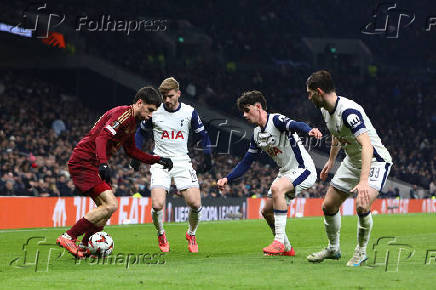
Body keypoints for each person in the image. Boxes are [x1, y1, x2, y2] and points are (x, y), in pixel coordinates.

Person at [56, 86, 173, 258]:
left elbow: (132, 151)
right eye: (149, 110)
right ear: (139, 103)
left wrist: (157, 159)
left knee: (106, 210)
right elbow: (103, 137)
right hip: (85, 161)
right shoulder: (123, 115)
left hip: (93, 162)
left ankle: (83, 245)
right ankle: (69, 236)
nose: (150, 115)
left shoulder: (133, 122)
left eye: (154, 112)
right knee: (111, 205)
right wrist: (103, 164)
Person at [217, 90, 322, 256]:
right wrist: (227, 178)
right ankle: (287, 248)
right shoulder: (257, 135)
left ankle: (278, 241)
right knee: (266, 211)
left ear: (258, 107)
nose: (244, 115)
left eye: (247, 110)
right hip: (285, 173)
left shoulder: (276, 120)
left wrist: (309, 130)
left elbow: (295, 125)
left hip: (303, 169)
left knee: (277, 188)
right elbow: (246, 162)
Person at [305, 70, 392, 266]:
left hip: (375, 160)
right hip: (353, 161)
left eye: (310, 93)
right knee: (328, 205)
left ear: (319, 91)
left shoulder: (349, 112)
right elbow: (337, 133)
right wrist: (331, 159)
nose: (308, 97)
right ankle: (333, 249)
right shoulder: (325, 109)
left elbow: (367, 146)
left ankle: (360, 252)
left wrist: (363, 182)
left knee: (361, 205)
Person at [132, 77, 212, 253]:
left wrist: (208, 158)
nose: (166, 100)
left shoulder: (190, 112)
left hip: (182, 161)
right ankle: (161, 234)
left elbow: (203, 136)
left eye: (170, 96)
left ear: (178, 93)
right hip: (160, 161)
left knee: (195, 204)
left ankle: (191, 234)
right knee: (157, 204)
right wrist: (136, 154)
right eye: (164, 96)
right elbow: (140, 133)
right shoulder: (155, 112)